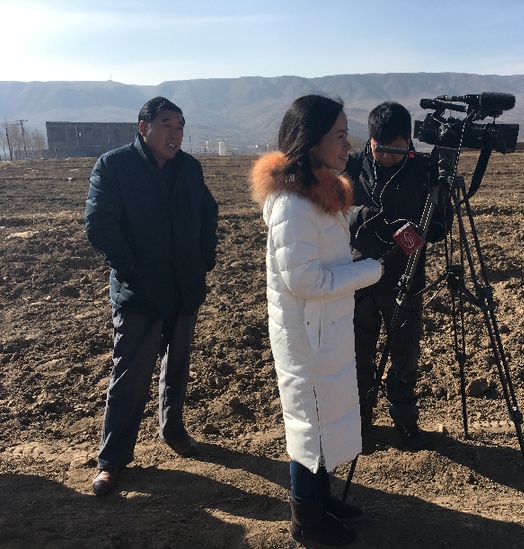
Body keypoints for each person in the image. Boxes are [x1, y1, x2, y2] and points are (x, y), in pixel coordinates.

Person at [250, 94, 382, 547]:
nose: (349, 145)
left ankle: (320, 499)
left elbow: (323, 263)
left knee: (322, 418)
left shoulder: (318, 195)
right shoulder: (293, 205)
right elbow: (305, 280)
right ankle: (306, 517)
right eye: (340, 136)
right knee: (308, 423)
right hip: (307, 335)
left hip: (323, 328)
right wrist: (369, 271)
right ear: (311, 143)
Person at [85, 96, 219, 496]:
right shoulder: (114, 166)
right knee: (129, 377)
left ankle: (173, 430)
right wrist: (130, 268)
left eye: (179, 127)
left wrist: (203, 259)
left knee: (177, 368)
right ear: (143, 127)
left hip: (183, 287)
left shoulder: (189, 168)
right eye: (166, 125)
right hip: (140, 291)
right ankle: (112, 461)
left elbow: (208, 212)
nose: (174, 134)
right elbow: (99, 223)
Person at [346, 101, 450, 452]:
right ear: (370, 140)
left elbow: (442, 225)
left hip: (406, 280)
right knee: (357, 356)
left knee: (405, 357)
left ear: (409, 140)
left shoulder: (423, 170)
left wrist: (420, 231)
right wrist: (363, 217)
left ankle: (405, 420)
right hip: (358, 278)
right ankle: (360, 420)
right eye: (381, 149)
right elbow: (330, 211)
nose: (387, 157)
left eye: (396, 149)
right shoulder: (351, 165)